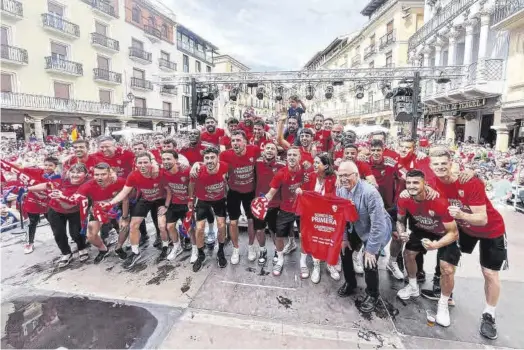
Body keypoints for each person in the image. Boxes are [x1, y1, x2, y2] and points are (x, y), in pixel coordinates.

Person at [428, 148, 507, 339]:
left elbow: (482, 219)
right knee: (446, 266)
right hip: (462, 229)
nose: (439, 167)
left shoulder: (469, 181)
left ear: (451, 163)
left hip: (490, 229)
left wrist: (461, 214)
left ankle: (489, 314)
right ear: (431, 166)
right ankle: (444, 301)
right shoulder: (432, 182)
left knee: (489, 273)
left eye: (443, 163)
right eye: (436, 164)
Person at [396, 169, 460, 327]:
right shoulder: (404, 198)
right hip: (422, 229)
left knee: (447, 268)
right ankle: (412, 287)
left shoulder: (439, 201)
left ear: (425, 184)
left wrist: (436, 245)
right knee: (408, 253)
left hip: (444, 233)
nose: (411, 186)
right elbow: (400, 220)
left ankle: (443, 304)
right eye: (409, 182)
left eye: (416, 182)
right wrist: (402, 232)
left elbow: (454, 233)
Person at [336, 160, 391, 313]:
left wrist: (371, 249)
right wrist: (345, 239)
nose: (343, 179)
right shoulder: (340, 190)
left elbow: (378, 224)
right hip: (355, 226)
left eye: (347, 175)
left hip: (374, 230)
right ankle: (350, 283)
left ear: (357, 175)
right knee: (344, 251)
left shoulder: (370, 193)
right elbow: (342, 217)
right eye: (340, 176)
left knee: (369, 261)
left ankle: (373, 294)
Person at [107, 152, 169, 269]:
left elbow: (169, 188)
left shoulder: (159, 172)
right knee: (133, 225)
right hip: (145, 199)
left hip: (160, 200)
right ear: (135, 164)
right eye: (140, 163)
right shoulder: (133, 175)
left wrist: (166, 205)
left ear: (151, 163)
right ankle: (135, 252)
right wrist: (109, 204)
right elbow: (124, 193)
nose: (143, 165)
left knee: (161, 226)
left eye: (146, 162)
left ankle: (165, 246)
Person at [27, 163, 90, 268]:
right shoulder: (60, 180)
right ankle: (66, 253)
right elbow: (46, 185)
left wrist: (60, 197)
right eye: (73, 172)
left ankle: (82, 248)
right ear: (68, 173)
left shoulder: (87, 185)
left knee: (76, 233)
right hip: (55, 210)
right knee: (58, 234)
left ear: (86, 174)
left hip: (75, 211)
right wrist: (29, 189)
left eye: (79, 172)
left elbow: (69, 205)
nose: (75, 175)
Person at [264, 147, 310, 276]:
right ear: (286, 157)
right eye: (289, 154)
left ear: (300, 158)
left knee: (304, 236)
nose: (291, 157)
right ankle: (280, 259)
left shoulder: (306, 171)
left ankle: (303, 262)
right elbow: (270, 193)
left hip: (302, 209)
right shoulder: (281, 173)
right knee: (279, 236)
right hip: (286, 209)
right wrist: (261, 203)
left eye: (295, 155)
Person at [297, 153, 339, 282]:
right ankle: (316, 266)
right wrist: (300, 191)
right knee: (315, 240)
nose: (314, 165)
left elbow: (336, 197)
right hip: (312, 215)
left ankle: (330, 264)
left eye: (317, 163)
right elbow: (303, 192)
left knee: (329, 240)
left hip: (328, 216)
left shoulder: (333, 178)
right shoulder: (309, 176)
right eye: (314, 162)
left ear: (326, 165)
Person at [219, 130, 260, 264]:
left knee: (251, 221)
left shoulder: (254, 150)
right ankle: (236, 249)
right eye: (233, 141)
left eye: (238, 140)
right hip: (234, 192)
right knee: (233, 222)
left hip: (250, 192)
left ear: (245, 142)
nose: (235, 143)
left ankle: (251, 247)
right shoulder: (225, 155)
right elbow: (220, 171)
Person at [76, 162, 129, 263]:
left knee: (125, 227)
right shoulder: (87, 185)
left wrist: (125, 217)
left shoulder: (119, 181)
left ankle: (119, 247)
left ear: (110, 173)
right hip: (97, 211)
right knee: (90, 235)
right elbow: (77, 198)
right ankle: (103, 249)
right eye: (96, 174)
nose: (99, 177)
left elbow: (125, 200)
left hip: (116, 209)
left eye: (103, 174)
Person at [188, 147, 228, 271]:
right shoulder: (198, 169)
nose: (209, 160)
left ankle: (220, 251)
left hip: (219, 199)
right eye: (207, 158)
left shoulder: (225, 166)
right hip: (203, 200)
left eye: (212, 158)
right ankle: (201, 254)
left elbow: (229, 179)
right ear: (203, 159)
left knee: (221, 226)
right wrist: (190, 200)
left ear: (218, 158)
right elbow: (191, 184)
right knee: (199, 228)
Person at [253, 141, 286, 265]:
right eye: (267, 148)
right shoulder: (257, 162)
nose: (270, 150)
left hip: (275, 204)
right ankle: (262, 250)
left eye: (273, 148)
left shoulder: (282, 165)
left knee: (274, 231)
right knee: (260, 230)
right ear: (263, 150)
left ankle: (278, 252)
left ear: (277, 152)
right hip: (259, 204)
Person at [161, 150, 188, 260]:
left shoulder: (186, 170)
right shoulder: (163, 172)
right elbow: (168, 190)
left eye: (168, 159)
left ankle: (196, 248)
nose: (165, 161)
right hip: (174, 203)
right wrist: (166, 206)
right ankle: (177, 247)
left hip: (187, 203)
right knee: (169, 226)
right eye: (163, 159)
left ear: (176, 160)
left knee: (189, 228)